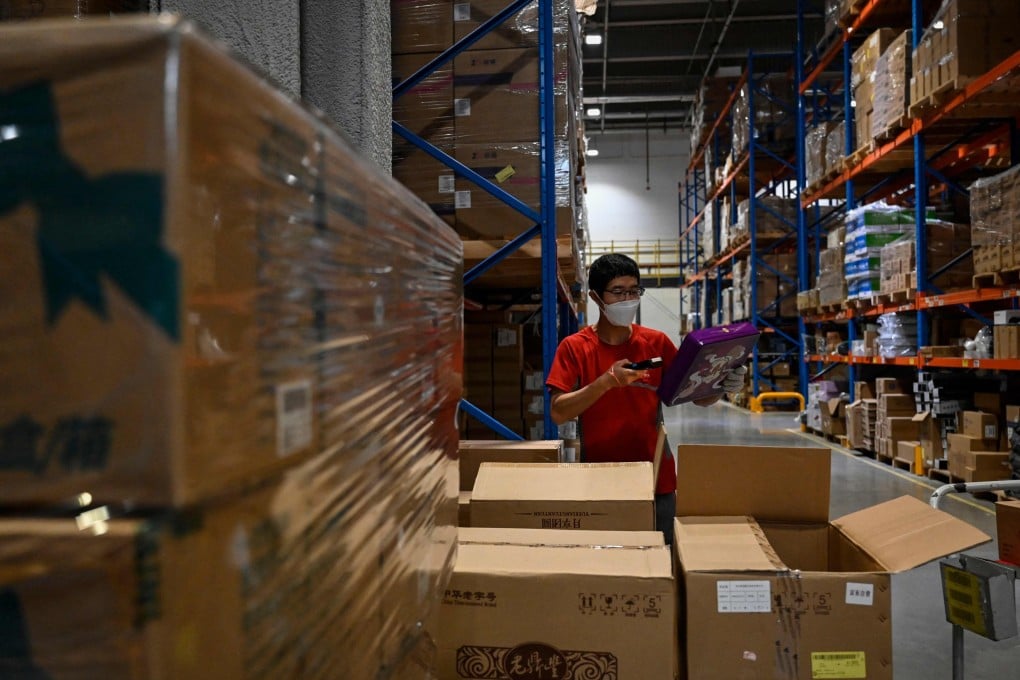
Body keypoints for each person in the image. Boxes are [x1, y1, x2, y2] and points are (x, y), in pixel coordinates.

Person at [546, 253, 746, 544]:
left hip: (656, 480)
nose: (628, 299)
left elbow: (695, 397)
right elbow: (558, 412)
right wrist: (605, 383)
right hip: (600, 478)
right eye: (618, 292)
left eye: (634, 290)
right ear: (595, 297)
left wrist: (721, 385)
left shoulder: (656, 342)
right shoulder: (575, 347)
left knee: (661, 562)